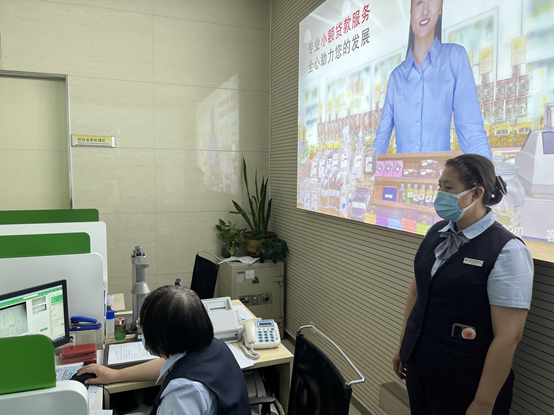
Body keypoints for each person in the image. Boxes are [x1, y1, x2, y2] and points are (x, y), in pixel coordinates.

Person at [392, 154, 533, 414]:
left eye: (449, 188)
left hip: (466, 384)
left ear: (476, 193)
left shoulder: (507, 250)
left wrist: (483, 402)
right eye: (439, 186)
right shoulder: (437, 233)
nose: (440, 194)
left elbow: (509, 336)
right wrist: (404, 344)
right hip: (421, 370)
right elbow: (418, 290)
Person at [77, 286, 250, 415]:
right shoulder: (214, 346)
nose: (141, 330)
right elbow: (166, 364)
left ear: (162, 335)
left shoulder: (183, 392)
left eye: (142, 325)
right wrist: (114, 375)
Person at [373, 0, 491, 159]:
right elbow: (381, 139)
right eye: (419, 2)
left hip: (440, 180)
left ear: (441, 7)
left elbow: (471, 131)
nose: (425, 10)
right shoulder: (396, 77)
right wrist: (365, 173)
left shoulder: (454, 58)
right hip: (402, 180)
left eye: (432, 1)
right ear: (410, 15)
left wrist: (488, 177)